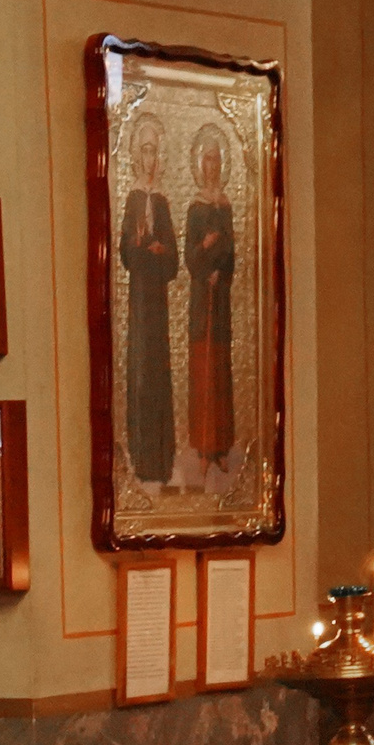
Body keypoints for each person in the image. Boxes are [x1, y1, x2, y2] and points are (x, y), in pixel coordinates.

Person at [119, 117, 178, 486]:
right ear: (137, 156)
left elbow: (173, 261)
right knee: (141, 373)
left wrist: (160, 250)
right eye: (144, 149)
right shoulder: (132, 200)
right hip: (140, 298)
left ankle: (162, 459)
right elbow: (126, 253)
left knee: (159, 373)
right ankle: (142, 457)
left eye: (154, 149)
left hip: (158, 298)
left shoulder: (162, 202)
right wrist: (142, 246)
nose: (149, 156)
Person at [184, 124, 236, 474]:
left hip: (221, 300)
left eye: (217, 159)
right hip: (202, 298)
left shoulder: (225, 205)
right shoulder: (196, 206)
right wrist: (204, 254)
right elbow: (189, 255)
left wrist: (223, 271)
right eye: (208, 159)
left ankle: (219, 447)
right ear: (200, 164)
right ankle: (202, 448)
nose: (213, 165)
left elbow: (231, 250)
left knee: (219, 370)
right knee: (202, 370)